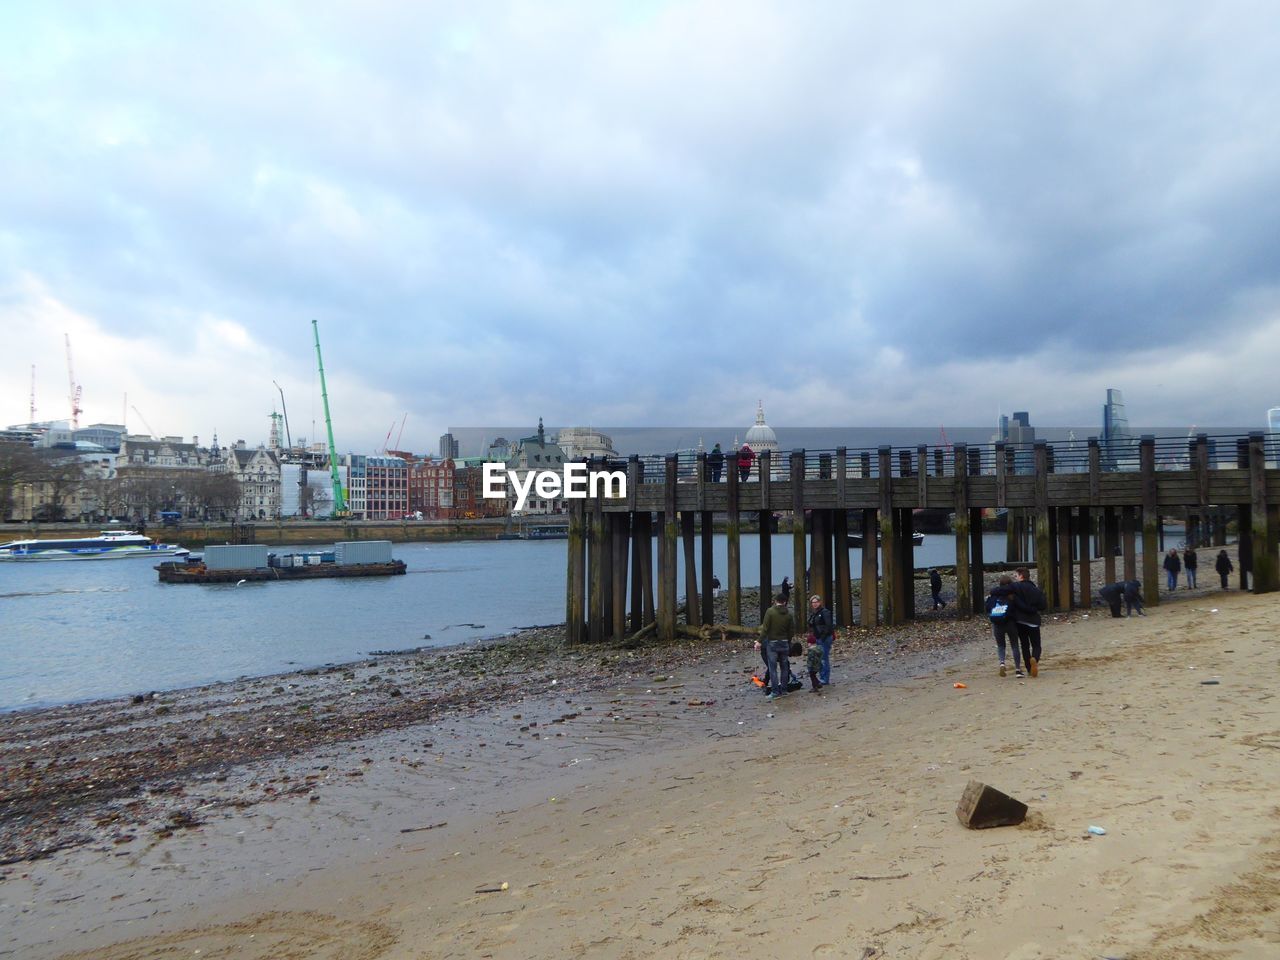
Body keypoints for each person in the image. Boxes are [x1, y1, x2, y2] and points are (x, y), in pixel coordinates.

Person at [1008, 567, 1047, 677]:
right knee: (1036, 645)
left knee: (1024, 645)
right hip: (1033, 621)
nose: (1015, 578)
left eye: (1016, 576)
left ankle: (1029, 669)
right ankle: (1034, 658)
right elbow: (1043, 605)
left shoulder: (1015, 588)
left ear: (1021, 576)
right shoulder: (1036, 590)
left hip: (1020, 621)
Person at [756, 593, 795, 700]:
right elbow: (791, 630)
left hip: (772, 643)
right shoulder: (789, 614)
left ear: (775, 601)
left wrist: (759, 641)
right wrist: (788, 640)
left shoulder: (770, 612)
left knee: (772, 668)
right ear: (785, 602)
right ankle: (784, 690)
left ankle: (775, 692)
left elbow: (765, 629)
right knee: (784, 667)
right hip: (784, 643)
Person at [986, 576, 1024, 676]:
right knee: (1015, 645)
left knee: (1001, 646)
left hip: (997, 623)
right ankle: (1017, 669)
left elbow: (988, 607)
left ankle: (1002, 663)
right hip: (1010, 622)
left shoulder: (993, 595)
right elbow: (1019, 607)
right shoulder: (1012, 595)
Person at [807, 594, 834, 685]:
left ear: (819, 602)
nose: (814, 604)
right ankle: (823, 677)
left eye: (816, 602)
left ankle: (825, 679)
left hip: (824, 638)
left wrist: (823, 637)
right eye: (813, 602)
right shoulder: (814, 613)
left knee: (824, 658)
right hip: (817, 638)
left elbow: (829, 626)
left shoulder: (825, 612)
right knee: (820, 658)